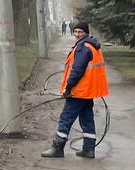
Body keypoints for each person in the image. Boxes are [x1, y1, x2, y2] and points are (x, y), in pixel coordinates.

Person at [42, 21, 109, 159]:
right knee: (87, 119)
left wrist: (68, 87)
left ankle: (57, 148)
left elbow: (77, 70)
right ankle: (89, 149)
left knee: (65, 118)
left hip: (79, 91)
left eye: (80, 32)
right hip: (87, 92)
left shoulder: (83, 47)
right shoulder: (92, 46)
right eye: (76, 32)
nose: (77, 34)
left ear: (86, 33)